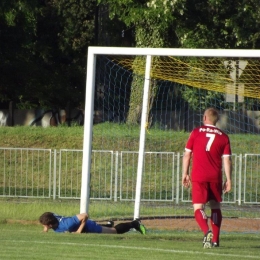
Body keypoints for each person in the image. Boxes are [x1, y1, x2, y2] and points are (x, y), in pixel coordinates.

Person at [182, 107, 232, 248]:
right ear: (216, 120)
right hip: (215, 177)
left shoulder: (196, 132)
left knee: (198, 207)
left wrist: (184, 174)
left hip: (199, 175)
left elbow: (187, 155)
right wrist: (229, 179)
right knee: (215, 207)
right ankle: (215, 240)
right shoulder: (223, 136)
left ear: (205, 118)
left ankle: (206, 231)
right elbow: (227, 160)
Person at [39, 212, 146, 235]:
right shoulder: (52, 219)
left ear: (50, 225)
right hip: (84, 227)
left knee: (114, 232)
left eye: (44, 225)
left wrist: (79, 231)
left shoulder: (67, 224)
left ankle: (134, 224)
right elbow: (50, 214)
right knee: (108, 228)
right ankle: (109, 224)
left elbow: (84, 215)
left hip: (89, 227)